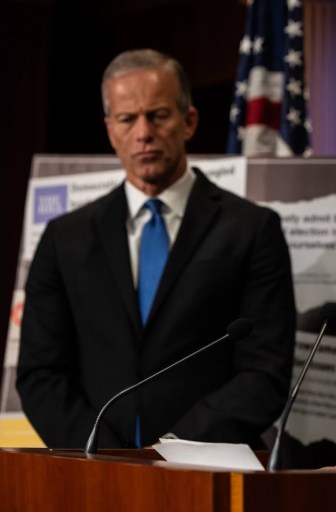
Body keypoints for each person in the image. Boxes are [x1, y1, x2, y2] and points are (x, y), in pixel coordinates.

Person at [16, 49, 296, 449]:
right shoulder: (65, 238)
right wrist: (100, 455)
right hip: (91, 473)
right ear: (110, 129)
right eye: (127, 119)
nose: (143, 132)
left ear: (189, 121)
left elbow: (264, 372)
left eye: (158, 115)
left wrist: (170, 451)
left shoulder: (251, 230)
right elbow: (39, 373)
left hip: (204, 469)